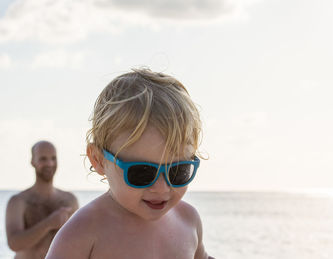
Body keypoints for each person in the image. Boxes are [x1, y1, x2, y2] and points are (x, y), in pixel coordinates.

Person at [46, 69, 214, 258]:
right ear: (99, 160)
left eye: (178, 171)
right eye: (142, 173)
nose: (161, 188)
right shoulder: (83, 232)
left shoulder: (188, 220)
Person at [5, 141, 79, 259]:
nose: (49, 163)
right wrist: (49, 223)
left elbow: (79, 243)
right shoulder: (18, 201)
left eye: (53, 158)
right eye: (43, 159)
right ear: (32, 162)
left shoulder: (69, 200)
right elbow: (14, 244)